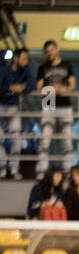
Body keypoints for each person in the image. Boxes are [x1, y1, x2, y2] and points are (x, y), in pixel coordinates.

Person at [36, 40, 76, 175]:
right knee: (45, 138)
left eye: (51, 50)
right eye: (47, 51)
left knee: (67, 139)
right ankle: (42, 170)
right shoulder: (43, 67)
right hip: (48, 102)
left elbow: (72, 85)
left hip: (64, 104)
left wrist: (62, 90)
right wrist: (52, 89)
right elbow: (39, 88)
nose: (49, 53)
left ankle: (68, 169)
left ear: (57, 49)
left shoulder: (66, 65)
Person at [0, 47, 35, 179]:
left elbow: (32, 85)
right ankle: (2, 169)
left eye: (27, 59)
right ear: (15, 58)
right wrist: (10, 89)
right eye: (24, 59)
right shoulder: (4, 70)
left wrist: (22, 88)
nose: (26, 62)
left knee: (16, 138)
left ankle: (14, 169)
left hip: (13, 108)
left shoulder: (26, 70)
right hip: (1, 107)